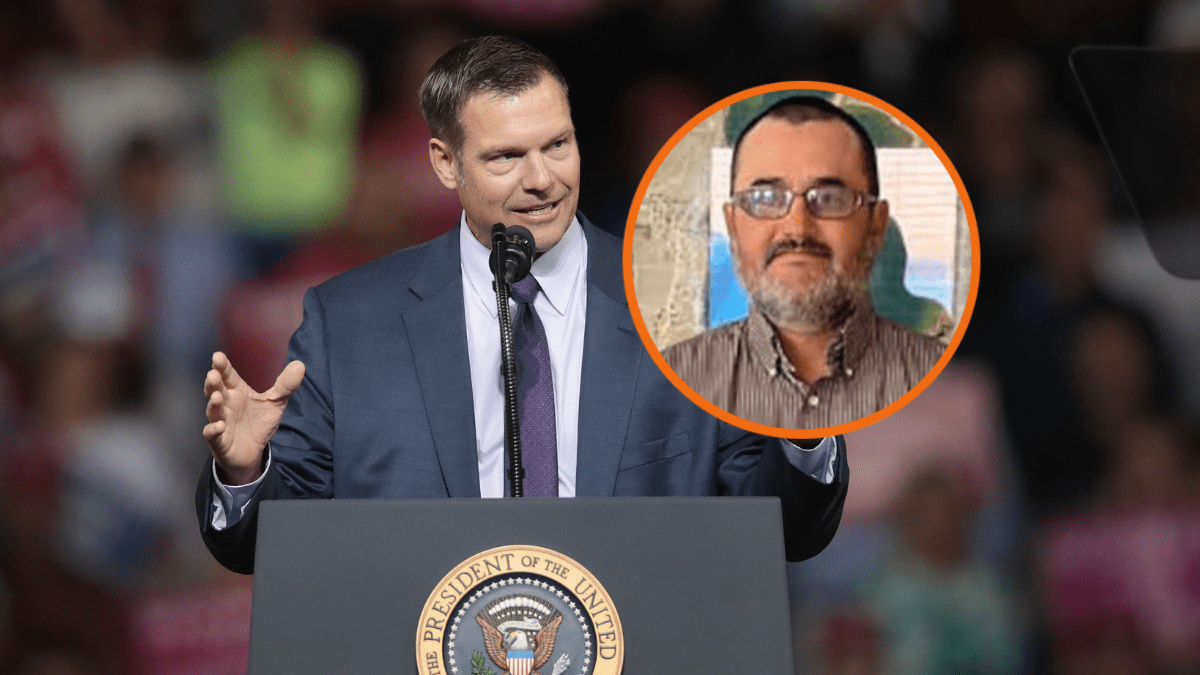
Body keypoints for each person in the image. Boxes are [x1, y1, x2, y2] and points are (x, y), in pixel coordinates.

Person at [196, 37, 848, 574]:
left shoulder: (697, 304)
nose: (542, 179)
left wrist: (805, 423)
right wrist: (247, 468)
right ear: (445, 164)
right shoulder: (351, 324)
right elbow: (267, 546)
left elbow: (782, 527)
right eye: (506, 156)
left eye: (557, 145)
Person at [664, 96, 945, 429]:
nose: (797, 229)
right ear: (732, 223)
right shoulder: (669, 381)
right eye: (766, 198)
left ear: (876, 225)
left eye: (828, 198)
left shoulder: (942, 382)